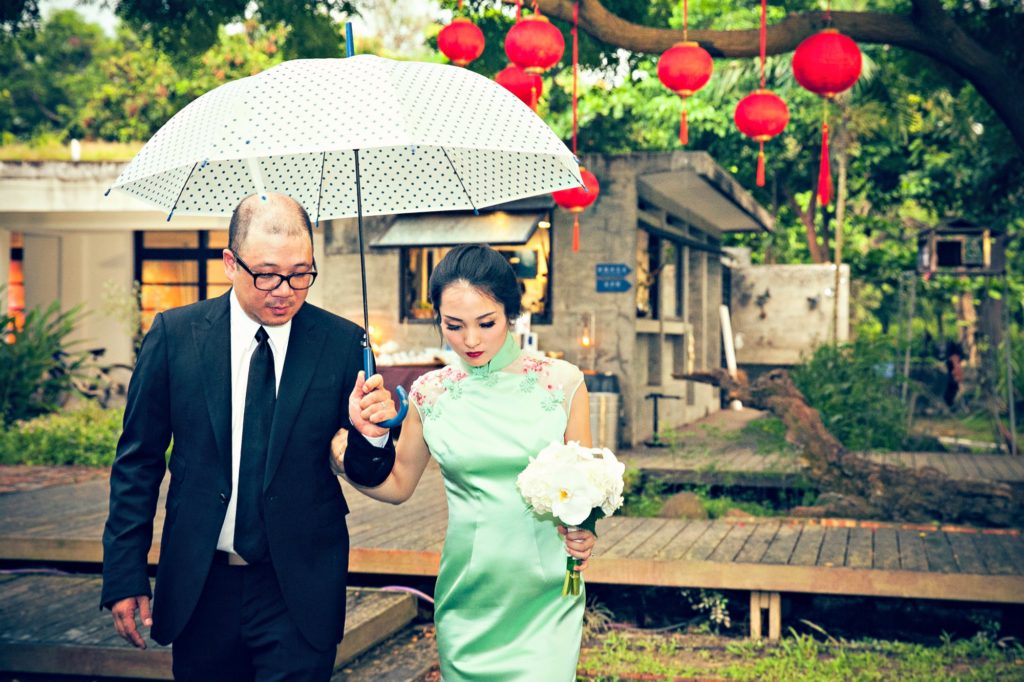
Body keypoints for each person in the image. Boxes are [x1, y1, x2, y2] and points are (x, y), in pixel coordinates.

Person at [100, 192, 398, 681]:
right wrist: (124, 572)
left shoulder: (345, 343)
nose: (285, 290)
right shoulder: (176, 336)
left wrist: (372, 436)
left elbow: (369, 471)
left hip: (298, 587)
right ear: (229, 263)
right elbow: (138, 462)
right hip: (201, 583)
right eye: (267, 273)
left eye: (301, 273)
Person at [331, 244, 597, 681]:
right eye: (453, 326)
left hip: (547, 596)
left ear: (511, 314)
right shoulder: (429, 393)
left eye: (486, 323)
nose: (470, 340)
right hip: (469, 599)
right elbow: (397, 486)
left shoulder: (563, 383)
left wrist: (586, 530)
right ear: (438, 318)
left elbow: (585, 486)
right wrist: (347, 451)